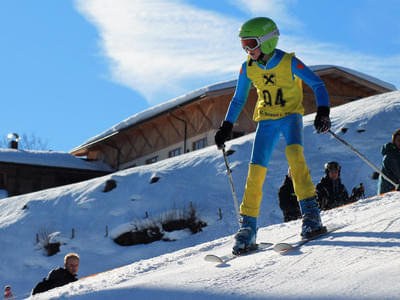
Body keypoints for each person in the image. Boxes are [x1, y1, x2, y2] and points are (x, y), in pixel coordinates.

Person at [214, 17, 331, 254]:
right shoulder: (248, 67)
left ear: (267, 42)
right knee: (255, 171)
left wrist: (323, 112)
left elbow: (317, 84)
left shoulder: (289, 62)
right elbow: (238, 98)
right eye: (243, 45)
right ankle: (248, 228)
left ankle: (311, 216)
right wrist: (226, 125)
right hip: (266, 121)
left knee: (296, 161)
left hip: (290, 118)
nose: (247, 50)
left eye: (251, 44)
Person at [378, 128, 400, 194]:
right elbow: (398, 173)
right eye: (399, 140)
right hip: (389, 194)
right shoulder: (391, 156)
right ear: (394, 141)